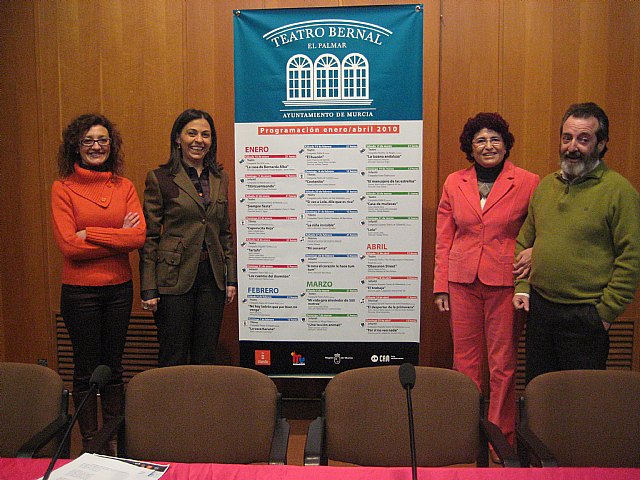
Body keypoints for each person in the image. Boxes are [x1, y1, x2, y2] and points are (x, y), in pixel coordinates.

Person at [513, 102, 640, 384]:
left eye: (584, 139)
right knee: (540, 397)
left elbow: (631, 259)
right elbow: (524, 242)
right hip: (541, 313)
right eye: (567, 137)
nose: (572, 146)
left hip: (586, 317)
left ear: (601, 143)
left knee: (580, 405)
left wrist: (604, 314)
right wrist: (523, 289)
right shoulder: (546, 186)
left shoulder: (619, 191)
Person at [434, 112, 539, 447]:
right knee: (464, 361)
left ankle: (501, 437)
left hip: (506, 282)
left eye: (495, 139)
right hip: (461, 281)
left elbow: (538, 230)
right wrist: (440, 285)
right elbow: (444, 238)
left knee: (503, 363)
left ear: (506, 145)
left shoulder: (528, 181)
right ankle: (466, 435)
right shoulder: (454, 182)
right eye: (481, 140)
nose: (488, 145)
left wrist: (534, 255)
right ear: (471, 147)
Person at [51, 113, 146, 452]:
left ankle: (117, 445)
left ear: (111, 144)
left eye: (102, 140)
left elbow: (137, 237)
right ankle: (92, 446)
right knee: (85, 370)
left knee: (115, 368)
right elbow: (68, 246)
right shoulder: (62, 188)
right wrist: (116, 234)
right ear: (76, 146)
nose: (96, 146)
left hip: (119, 289)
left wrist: (90, 232)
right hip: (80, 293)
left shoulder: (124, 186)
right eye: (88, 140)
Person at [140, 108, 237, 367]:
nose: (199, 140)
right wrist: (149, 287)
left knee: (205, 355)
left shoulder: (219, 178)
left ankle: (201, 407)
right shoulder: (160, 178)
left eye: (206, 135)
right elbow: (149, 237)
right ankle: (171, 408)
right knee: (173, 354)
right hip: (174, 279)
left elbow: (224, 231)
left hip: (212, 278)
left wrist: (231, 278)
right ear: (177, 138)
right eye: (191, 133)